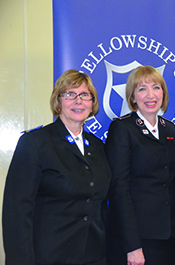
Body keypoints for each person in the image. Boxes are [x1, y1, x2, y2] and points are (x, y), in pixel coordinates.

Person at [2, 69, 111, 265]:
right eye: (70, 94)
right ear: (58, 102)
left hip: (94, 257)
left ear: (92, 102)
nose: (78, 101)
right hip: (50, 256)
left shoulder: (99, 147)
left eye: (85, 95)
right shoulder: (35, 143)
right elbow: (16, 212)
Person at [105, 65, 175, 265]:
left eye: (156, 87)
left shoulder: (169, 128)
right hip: (139, 238)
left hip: (171, 235)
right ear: (132, 97)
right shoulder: (122, 129)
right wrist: (132, 245)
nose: (150, 95)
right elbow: (118, 189)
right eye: (142, 89)